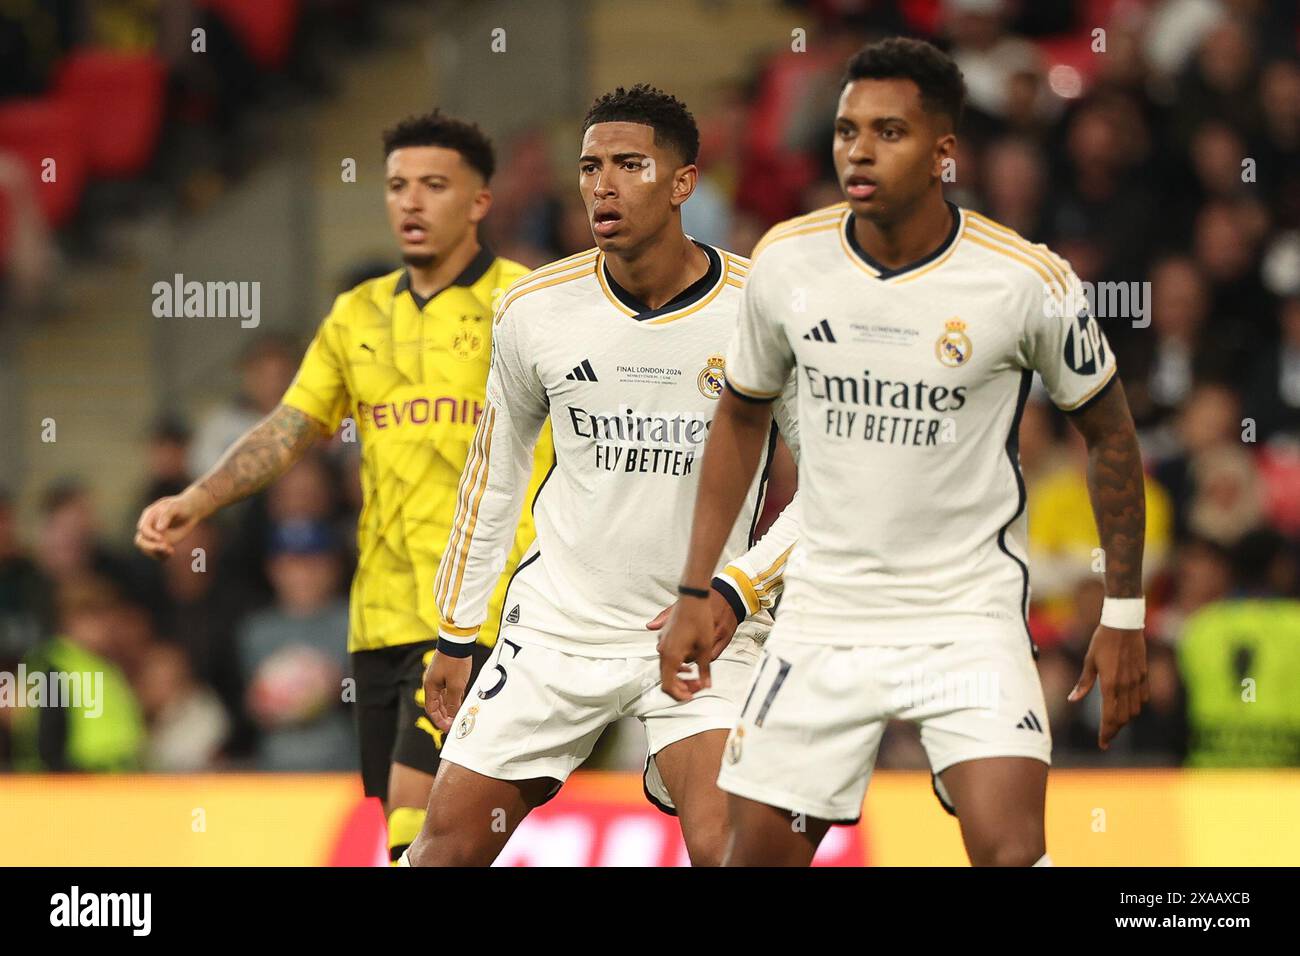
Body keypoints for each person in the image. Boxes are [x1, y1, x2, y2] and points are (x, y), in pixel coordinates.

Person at [659, 37, 1150, 866]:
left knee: (1011, 853)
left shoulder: (1024, 281)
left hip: (965, 612)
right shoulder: (786, 262)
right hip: (824, 616)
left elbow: (1110, 433)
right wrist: (694, 586)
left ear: (943, 153)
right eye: (848, 129)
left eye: (890, 132)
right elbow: (741, 419)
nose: (859, 149)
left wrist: (1125, 611)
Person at [134, 110, 550, 863]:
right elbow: (290, 428)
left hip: (481, 612)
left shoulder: (526, 306)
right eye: (396, 186)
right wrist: (195, 500)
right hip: (379, 616)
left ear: (480, 201)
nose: (411, 203)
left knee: (421, 827)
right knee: (414, 840)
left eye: (433, 185)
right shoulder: (357, 315)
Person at [404, 85, 800, 867]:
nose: (602, 186)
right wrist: (455, 633)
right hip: (558, 628)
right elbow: (493, 478)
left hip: (705, 636)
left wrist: (738, 591)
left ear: (683, 183)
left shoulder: (765, 308)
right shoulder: (534, 309)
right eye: (589, 168)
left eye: (628, 165)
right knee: (442, 853)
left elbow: (835, 494)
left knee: (731, 851)